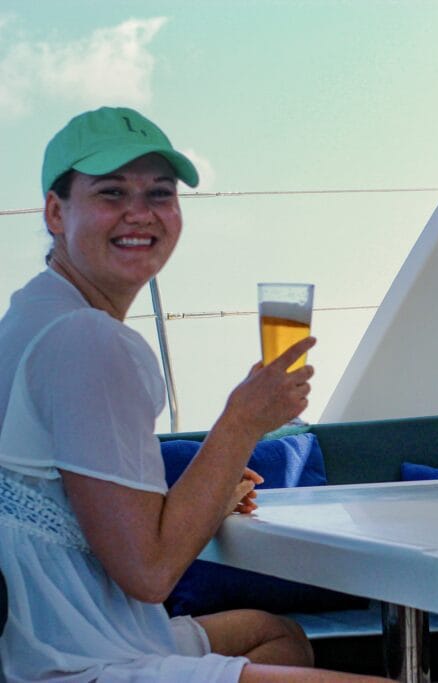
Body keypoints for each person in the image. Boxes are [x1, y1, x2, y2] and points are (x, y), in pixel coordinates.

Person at [0, 107, 386, 682]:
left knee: (273, 632)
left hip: (51, 634)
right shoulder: (89, 340)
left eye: (159, 193)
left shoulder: (32, 312)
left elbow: (95, 510)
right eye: (111, 192)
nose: (140, 213)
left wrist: (207, 496)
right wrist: (242, 421)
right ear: (57, 212)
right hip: (80, 663)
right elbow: (149, 572)